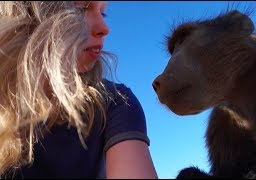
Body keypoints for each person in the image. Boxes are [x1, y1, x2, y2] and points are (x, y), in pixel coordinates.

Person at [0, 1, 158, 179]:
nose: (105, 28)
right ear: (29, 12)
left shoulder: (116, 102)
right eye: (81, 8)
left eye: (103, 13)